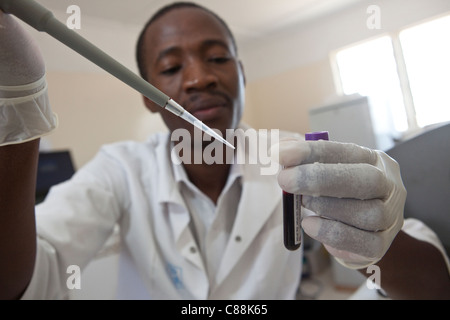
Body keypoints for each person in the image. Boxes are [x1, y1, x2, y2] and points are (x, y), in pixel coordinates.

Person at [0, 2, 449, 300]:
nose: (199, 79)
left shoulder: (294, 162)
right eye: (172, 67)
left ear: (241, 74)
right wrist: (19, 114)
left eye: (217, 58)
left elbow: (432, 285)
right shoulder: (120, 169)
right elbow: (30, 278)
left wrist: (381, 244)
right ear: (147, 95)